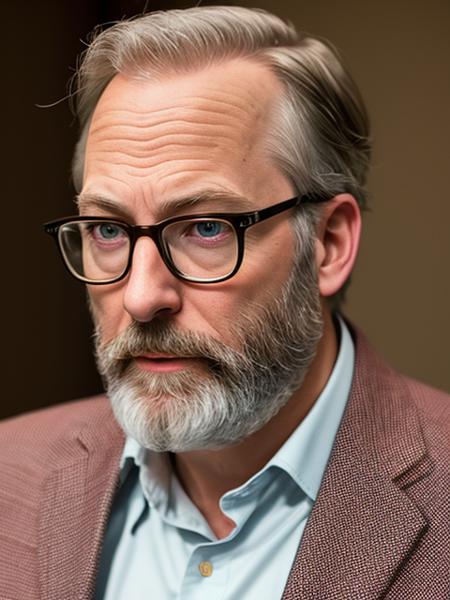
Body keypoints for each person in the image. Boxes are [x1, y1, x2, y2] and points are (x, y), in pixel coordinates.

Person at [0, 6, 449, 599]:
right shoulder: (12, 470)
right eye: (107, 231)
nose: (141, 298)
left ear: (329, 243)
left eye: (207, 228)